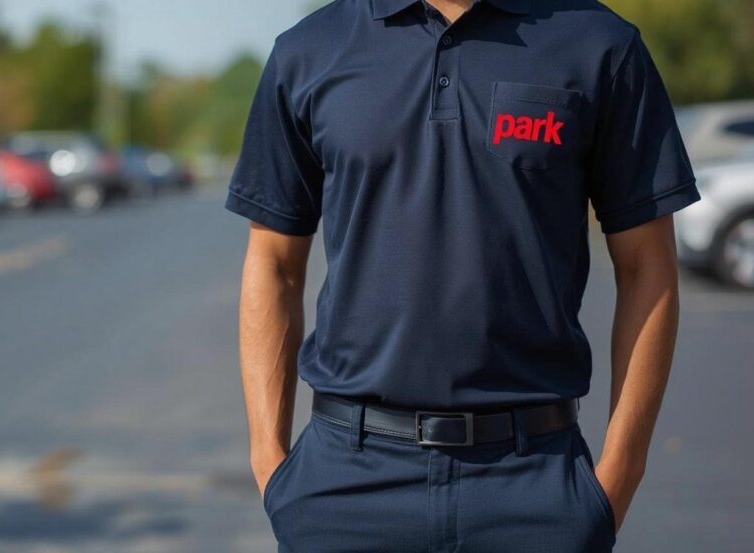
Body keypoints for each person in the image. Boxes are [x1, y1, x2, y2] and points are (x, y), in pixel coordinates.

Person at [224, 0, 700, 551]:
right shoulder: (309, 50)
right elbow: (273, 263)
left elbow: (648, 267)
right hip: (345, 482)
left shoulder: (599, 44)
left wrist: (621, 472)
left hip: (534, 483)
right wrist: (269, 462)